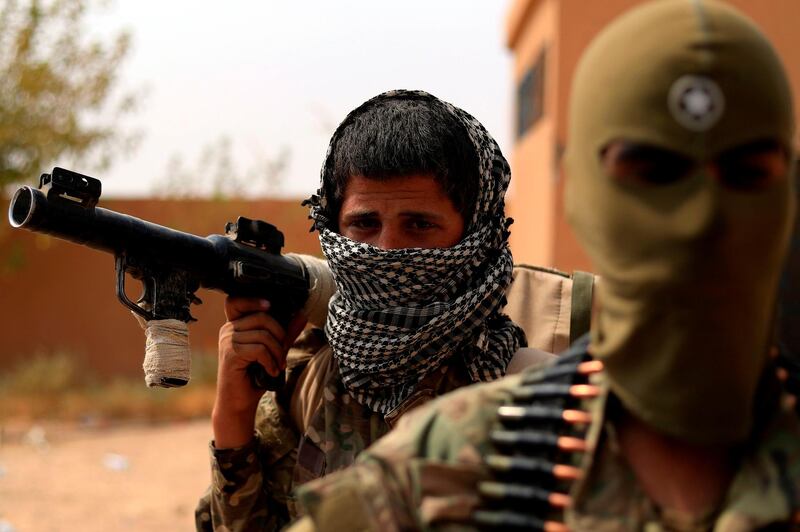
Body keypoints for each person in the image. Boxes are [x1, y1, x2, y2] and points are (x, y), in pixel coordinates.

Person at [289, 1, 800, 530]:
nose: (701, 219)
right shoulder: (440, 465)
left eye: (746, 174)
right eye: (654, 172)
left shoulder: (529, 362)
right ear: (580, 193)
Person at [196, 89, 560, 531]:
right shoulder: (309, 376)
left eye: (420, 225)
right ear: (335, 228)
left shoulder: (529, 391)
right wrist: (232, 415)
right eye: (365, 224)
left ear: (476, 234)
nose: (387, 251)